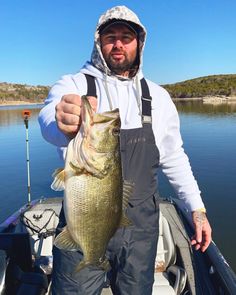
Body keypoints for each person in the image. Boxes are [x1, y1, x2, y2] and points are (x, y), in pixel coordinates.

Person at [38, 5, 212, 295]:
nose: (118, 43)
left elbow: (174, 157)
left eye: (126, 36)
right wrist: (63, 123)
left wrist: (197, 209)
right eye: (110, 36)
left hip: (140, 229)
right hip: (85, 220)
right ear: (98, 42)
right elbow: (49, 120)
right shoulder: (74, 83)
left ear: (139, 43)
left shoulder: (158, 96)